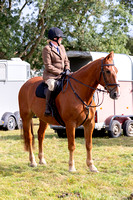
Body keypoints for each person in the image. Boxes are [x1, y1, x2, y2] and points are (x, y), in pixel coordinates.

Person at [42, 27, 71, 116]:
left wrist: (67, 69)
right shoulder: (47, 49)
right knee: (52, 85)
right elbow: (48, 66)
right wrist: (60, 72)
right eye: (60, 38)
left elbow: (66, 60)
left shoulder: (61, 47)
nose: (61, 39)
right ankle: (48, 107)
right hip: (51, 76)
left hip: (63, 74)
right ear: (55, 38)